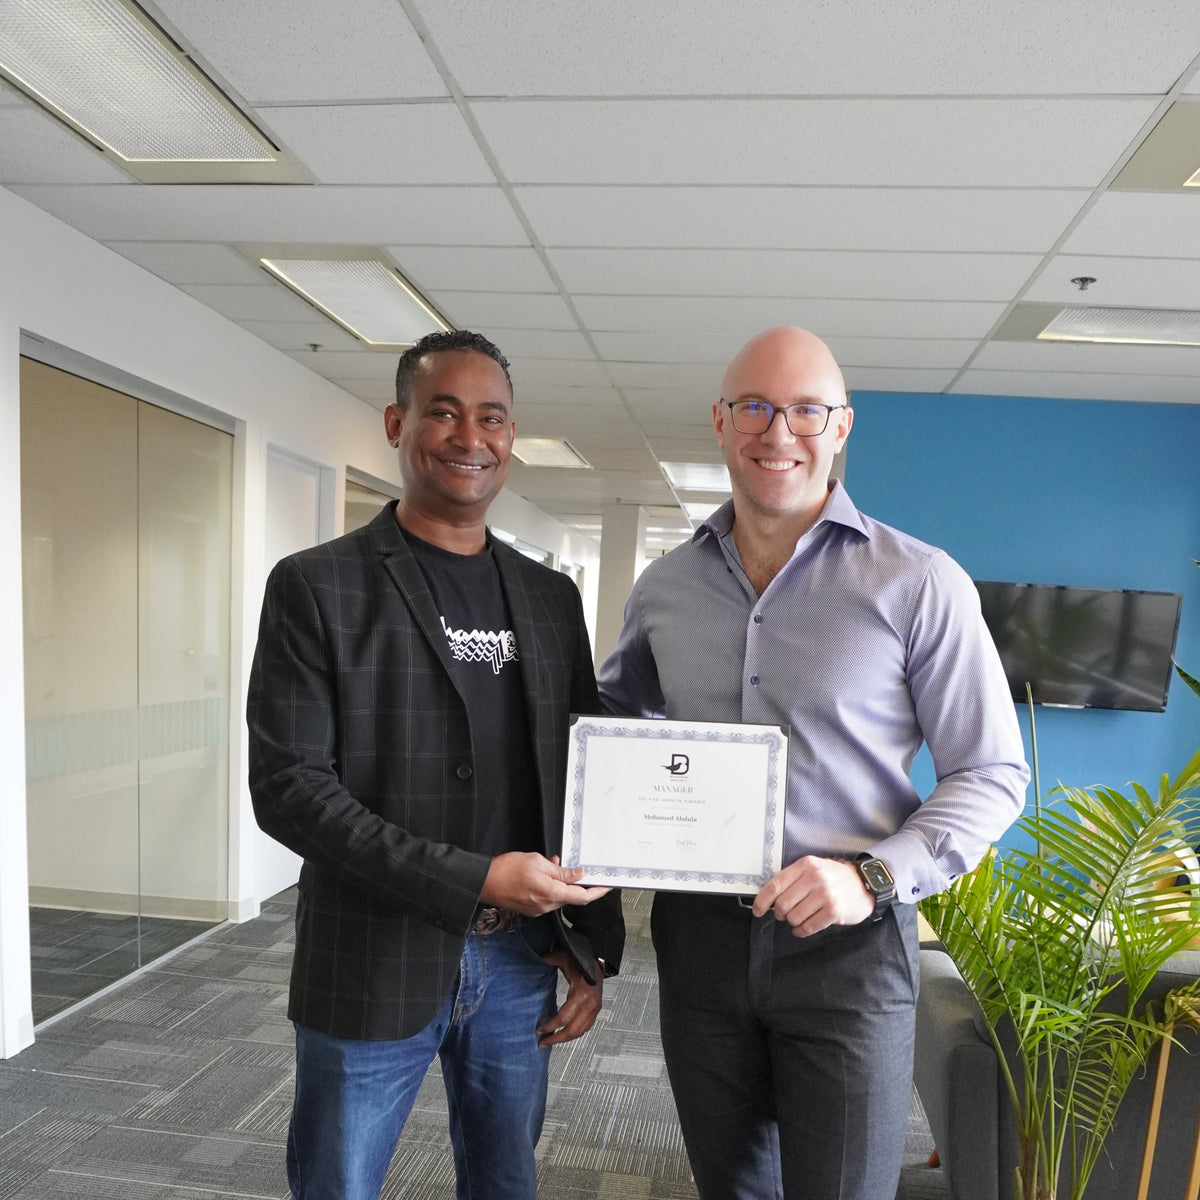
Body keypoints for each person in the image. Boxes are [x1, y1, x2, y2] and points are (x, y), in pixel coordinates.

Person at [598, 326, 1028, 1200]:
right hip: (699, 941)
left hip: (849, 947)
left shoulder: (918, 581)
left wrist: (869, 877)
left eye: (806, 410)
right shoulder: (667, 585)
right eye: (755, 407)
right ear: (721, 422)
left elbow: (991, 773)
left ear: (842, 427)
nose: (778, 432)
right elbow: (610, 727)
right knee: (730, 1185)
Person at [248, 329, 624, 1200]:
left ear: (510, 436)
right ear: (396, 421)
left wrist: (587, 947)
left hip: (519, 963)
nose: (469, 437)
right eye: (443, 412)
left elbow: (579, 776)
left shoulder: (549, 597)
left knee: (505, 1182)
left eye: (491, 418)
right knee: (339, 1184)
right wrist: (475, 878)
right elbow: (290, 791)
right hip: (373, 957)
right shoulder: (317, 585)